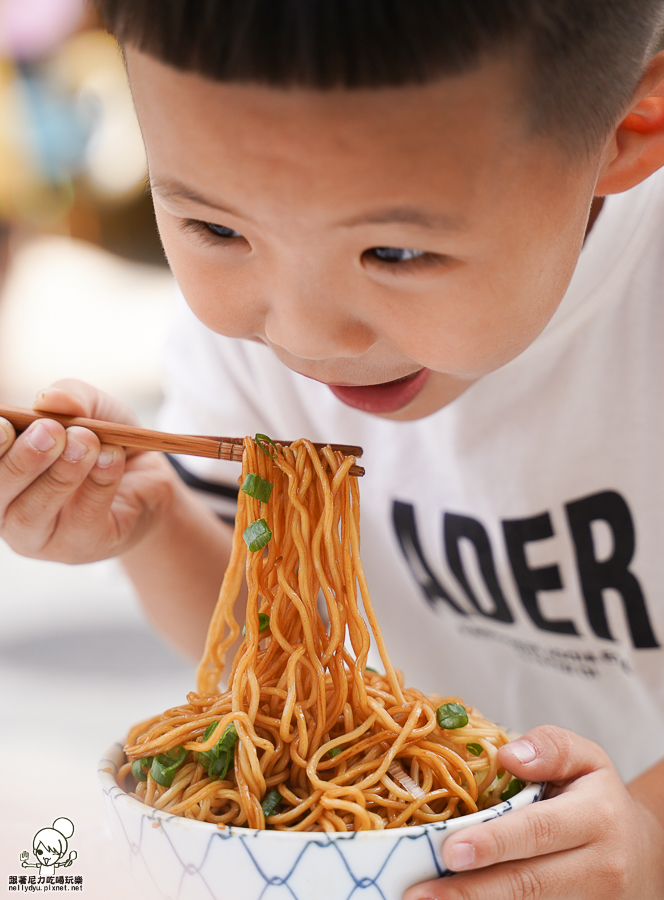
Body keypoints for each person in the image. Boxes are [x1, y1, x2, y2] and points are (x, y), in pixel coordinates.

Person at [1, 1, 664, 895]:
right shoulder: (241, 347)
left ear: (629, 127)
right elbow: (270, 679)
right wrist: (155, 524)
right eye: (216, 230)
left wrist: (650, 834)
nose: (306, 335)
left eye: (395, 250)